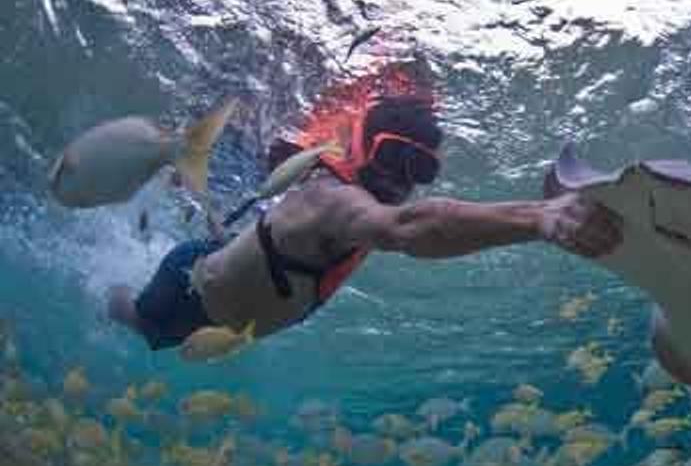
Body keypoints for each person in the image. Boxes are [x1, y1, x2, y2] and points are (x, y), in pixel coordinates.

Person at [107, 64, 623, 351]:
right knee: (134, 319)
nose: (400, 179)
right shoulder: (330, 199)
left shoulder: (356, 211)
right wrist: (538, 217)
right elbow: (411, 227)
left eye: (418, 171)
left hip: (226, 304)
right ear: (361, 147)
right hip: (186, 294)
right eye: (392, 156)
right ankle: (104, 284)